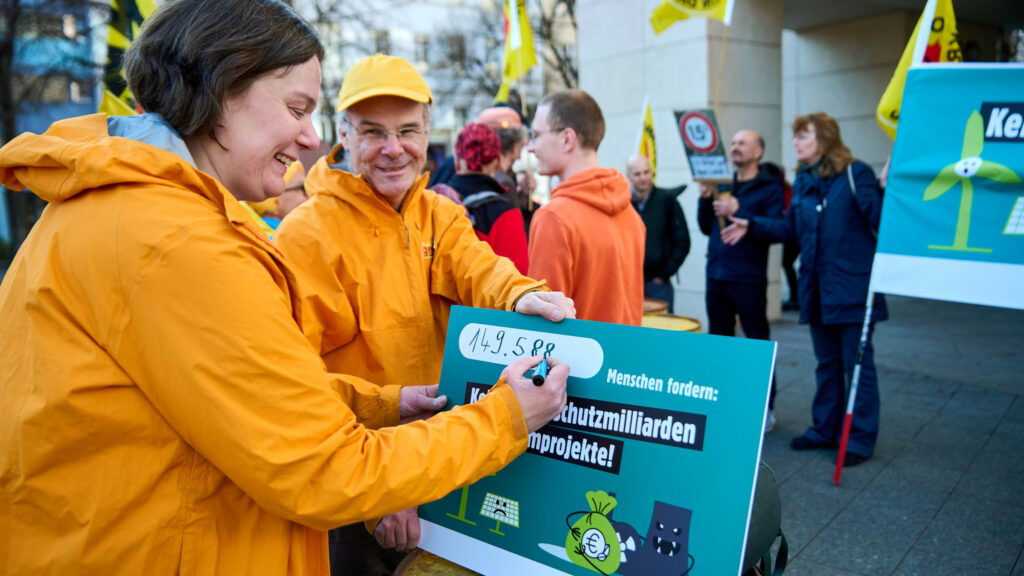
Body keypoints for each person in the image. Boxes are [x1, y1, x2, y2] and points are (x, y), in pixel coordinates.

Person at [0, 2, 570, 573]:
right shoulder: (182, 241)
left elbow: (257, 386)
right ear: (222, 88)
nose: (307, 136)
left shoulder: (134, 210)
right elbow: (321, 463)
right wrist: (504, 418)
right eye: (297, 108)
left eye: (408, 130)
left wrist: (388, 399)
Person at [273, 54, 575, 575]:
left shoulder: (439, 213)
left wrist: (522, 295)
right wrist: (387, 488)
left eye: (407, 131)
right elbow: (299, 388)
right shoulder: (307, 234)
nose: (394, 149)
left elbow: (481, 268)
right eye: (373, 132)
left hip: (446, 465)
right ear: (344, 135)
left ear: (428, 132)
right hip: (361, 491)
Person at [722, 112, 886, 467]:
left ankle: (857, 438)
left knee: (856, 367)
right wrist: (751, 224)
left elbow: (880, 221)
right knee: (827, 363)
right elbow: (789, 229)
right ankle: (825, 429)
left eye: (802, 137)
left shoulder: (856, 174)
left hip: (853, 289)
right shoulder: (804, 180)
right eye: (795, 137)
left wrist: (888, 191)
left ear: (824, 139)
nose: (795, 143)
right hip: (818, 291)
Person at [527, 90, 645, 325]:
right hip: (624, 359)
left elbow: (542, 324)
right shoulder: (631, 214)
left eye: (536, 135)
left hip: (576, 361)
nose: (531, 147)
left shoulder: (553, 217)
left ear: (567, 139)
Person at [697, 129, 784, 430]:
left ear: (757, 151)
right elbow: (706, 226)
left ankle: (765, 408)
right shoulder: (724, 183)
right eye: (732, 143)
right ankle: (724, 402)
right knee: (720, 346)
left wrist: (740, 210)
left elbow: (778, 229)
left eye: (741, 143)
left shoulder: (770, 187)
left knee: (757, 345)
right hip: (717, 276)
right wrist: (705, 199)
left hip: (748, 278)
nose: (734, 147)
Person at [449, 122, 530, 274]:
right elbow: (520, 276)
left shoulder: (435, 201)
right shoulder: (505, 212)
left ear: (457, 160)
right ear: (497, 161)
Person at [626, 153, 690, 313]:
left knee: (660, 331)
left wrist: (663, 275)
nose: (643, 178)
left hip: (658, 284)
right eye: (637, 173)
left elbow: (682, 242)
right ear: (629, 176)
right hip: (629, 283)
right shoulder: (623, 205)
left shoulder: (668, 201)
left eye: (646, 172)